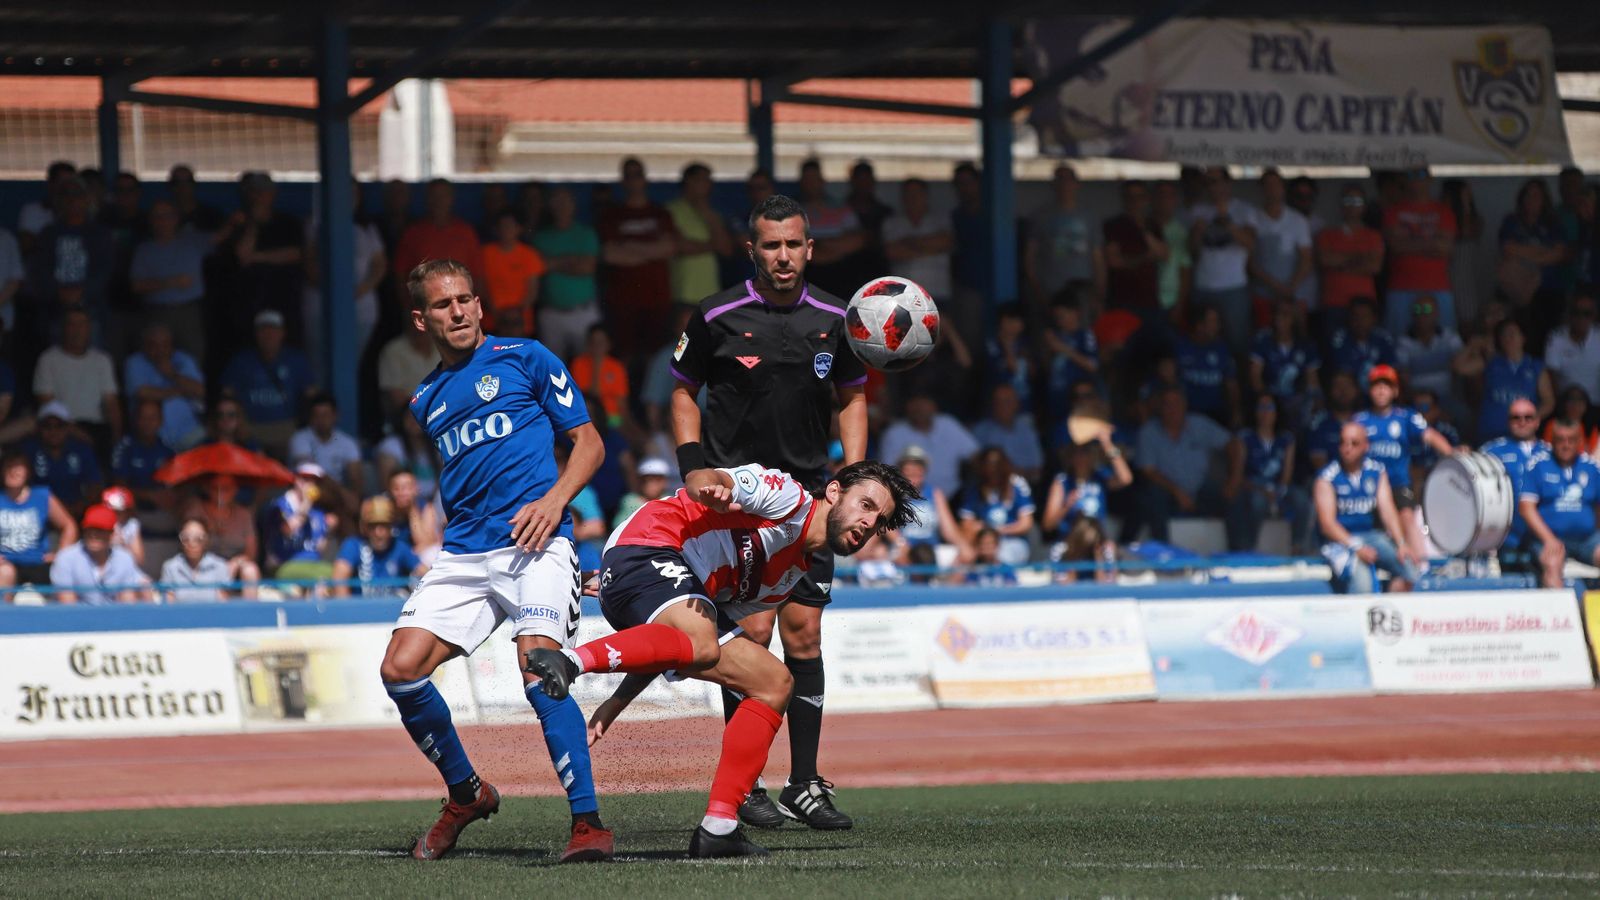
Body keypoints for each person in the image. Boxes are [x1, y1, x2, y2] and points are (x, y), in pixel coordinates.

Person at [523, 460, 918, 858]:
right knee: (705, 641)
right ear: (833, 493)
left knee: (773, 682)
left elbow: (674, 640)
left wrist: (616, 702)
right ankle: (570, 661)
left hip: (661, 592)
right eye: (866, 505)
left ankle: (720, 826)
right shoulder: (787, 496)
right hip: (647, 544)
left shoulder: (788, 574)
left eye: (879, 519)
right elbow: (700, 478)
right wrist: (710, 487)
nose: (869, 523)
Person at [377, 258, 612, 863]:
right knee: (400, 670)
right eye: (441, 305)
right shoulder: (424, 399)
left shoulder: (526, 356)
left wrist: (555, 501)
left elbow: (589, 443)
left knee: (540, 671)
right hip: (464, 556)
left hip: (536, 545)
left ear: (480, 306)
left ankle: (588, 824)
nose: (455, 311)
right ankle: (467, 793)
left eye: (464, 300)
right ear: (421, 319)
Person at [668, 193, 870, 830]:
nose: (783, 256)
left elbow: (853, 397)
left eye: (793, 244)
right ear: (750, 249)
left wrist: (854, 473)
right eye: (771, 245)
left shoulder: (839, 318)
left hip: (811, 503)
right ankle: (747, 782)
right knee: (752, 638)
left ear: (810, 248)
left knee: (804, 634)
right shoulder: (716, 315)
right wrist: (694, 465)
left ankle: (805, 784)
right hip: (739, 508)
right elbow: (682, 393)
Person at [1354, 364, 1455, 557]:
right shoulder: (1361, 420)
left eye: (1386, 386)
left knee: (1407, 517)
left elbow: (1430, 435)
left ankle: (1420, 565)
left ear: (1395, 390)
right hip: (1369, 485)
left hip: (1398, 483)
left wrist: (1451, 453)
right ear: (1369, 390)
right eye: (1377, 386)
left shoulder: (1405, 417)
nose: (1381, 390)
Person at [1314, 422, 1419, 593]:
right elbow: (1327, 524)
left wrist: (1401, 543)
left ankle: (1388, 614)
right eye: (1343, 442)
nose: (1347, 448)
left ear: (1365, 446)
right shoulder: (1327, 477)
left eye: (1354, 443)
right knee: (1363, 583)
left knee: (1409, 569)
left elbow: (1388, 511)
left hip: (1371, 536)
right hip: (1339, 542)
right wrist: (1356, 547)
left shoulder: (1376, 471)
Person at [1126, 385, 1234, 544]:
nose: (1172, 409)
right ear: (1160, 407)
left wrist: (1234, 480)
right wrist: (1178, 492)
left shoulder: (1199, 425)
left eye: (1176, 403)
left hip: (1200, 489)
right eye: (1167, 404)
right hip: (1167, 493)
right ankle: (1163, 553)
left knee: (1235, 497)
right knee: (1152, 496)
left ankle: (1237, 554)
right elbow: (1148, 471)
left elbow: (1235, 444)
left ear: (1185, 405)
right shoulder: (1148, 432)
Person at [598, 157, 677, 361]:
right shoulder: (611, 215)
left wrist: (629, 248)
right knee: (625, 358)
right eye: (629, 176)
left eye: (638, 175)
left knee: (659, 357)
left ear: (645, 179)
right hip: (623, 301)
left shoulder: (660, 213)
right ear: (622, 181)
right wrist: (651, 251)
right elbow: (610, 254)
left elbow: (668, 248)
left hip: (657, 299)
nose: (634, 180)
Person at [219, 172, 304, 342]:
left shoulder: (288, 223)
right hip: (247, 303)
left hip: (283, 300)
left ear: (273, 194)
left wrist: (257, 257)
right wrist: (253, 223)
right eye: (253, 191)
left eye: (263, 192)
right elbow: (242, 256)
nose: (258, 197)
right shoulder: (237, 223)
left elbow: (295, 254)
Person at [221, 310, 316, 459]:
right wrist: (239, 423)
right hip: (250, 428)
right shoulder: (241, 361)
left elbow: (311, 396)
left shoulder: (296, 360)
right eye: (263, 331)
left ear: (282, 333)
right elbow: (227, 397)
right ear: (256, 334)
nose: (268, 335)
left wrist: (302, 428)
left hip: (286, 428)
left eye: (273, 330)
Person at [129, 198, 216, 360]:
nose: (162, 221)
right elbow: (137, 285)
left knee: (193, 358)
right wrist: (170, 282)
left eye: (167, 215)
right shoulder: (145, 250)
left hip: (189, 313)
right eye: (157, 216)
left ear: (176, 218)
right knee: (156, 359)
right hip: (158, 312)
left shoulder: (193, 241)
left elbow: (222, 237)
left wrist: (236, 221)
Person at [1042, 425, 1132, 580]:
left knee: (1109, 552)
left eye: (1085, 452)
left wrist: (1107, 444)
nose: (1081, 457)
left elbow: (1126, 478)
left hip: (1097, 542)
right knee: (1061, 564)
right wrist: (1067, 506)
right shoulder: (1062, 482)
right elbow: (1048, 524)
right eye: (1076, 453)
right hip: (1069, 542)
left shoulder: (1100, 477)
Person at [1521, 418, 1600, 589]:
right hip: (1549, 538)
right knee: (1552, 564)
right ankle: (1559, 615)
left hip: (1586, 539)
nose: (1566, 445)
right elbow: (1526, 509)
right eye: (1560, 440)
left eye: (1571, 440)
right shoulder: (1538, 465)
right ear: (1552, 441)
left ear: (1580, 441)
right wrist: (1549, 539)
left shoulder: (1591, 467)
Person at [32, 307, 121, 457]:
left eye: (82, 324)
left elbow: (111, 403)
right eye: (72, 324)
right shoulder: (48, 359)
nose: (77, 330)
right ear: (63, 328)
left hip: (96, 428)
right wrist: (73, 431)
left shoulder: (102, 360)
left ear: (90, 328)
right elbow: (47, 403)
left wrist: (118, 438)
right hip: (61, 428)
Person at [1187, 166, 1257, 353]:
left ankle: (1238, 381)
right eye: (1207, 183)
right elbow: (1192, 252)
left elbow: (1251, 244)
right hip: (1203, 285)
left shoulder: (1244, 210)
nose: (1212, 187)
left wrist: (1227, 221)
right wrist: (1197, 232)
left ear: (1227, 183)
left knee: (1238, 340)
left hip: (1233, 287)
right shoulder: (1198, 210)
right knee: (1201, 339)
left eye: (1216, 182)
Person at [531, 187, 602, 364]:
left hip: (582, 312)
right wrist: (572, 261)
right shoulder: (541, 238)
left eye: (565, 201)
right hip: (551, 313)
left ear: (574, 205)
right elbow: (539, 267)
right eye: (557, 201)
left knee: (588, 364)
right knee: (550, 368)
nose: (561, 206)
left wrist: (554, 263)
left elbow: (587, 268)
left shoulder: (586, 233)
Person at [1382, 169, 1457, 335]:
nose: (1416, 179)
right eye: (1411, 174)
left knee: (1444, 340)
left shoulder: (1443, 212)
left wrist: (1409, 242)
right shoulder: (1393, 211)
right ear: (1404, 179)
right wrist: (1431, 244)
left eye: (1421, 174)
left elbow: (1445, 248)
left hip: (1437, 287)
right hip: (1401, 288)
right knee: (1398, 340)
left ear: (1430, 178)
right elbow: (1395, 246)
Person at [1455, 318, 1554, 442]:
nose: (1508, 338)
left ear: (1523, 338)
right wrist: (1471, 345)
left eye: (1512, 334)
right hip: (1490, 434)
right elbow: (1459, 367)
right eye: (1504, 335)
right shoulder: (1491, 362)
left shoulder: (1535, 366)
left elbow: (1548, 401)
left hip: (1522, 436)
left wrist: (1530, 419)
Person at [1225, 395, 1302, 553]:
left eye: (1270, 408)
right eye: (1261, 408)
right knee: (1257, 502)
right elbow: (1239, 476)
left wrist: (1278, 491)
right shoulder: (1244, 437)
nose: (1265, 413)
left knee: (1302, 499)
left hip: (1277, 489)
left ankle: (1297, 546)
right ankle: (1248, 548)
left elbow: (1286, 476)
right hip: (1253, 488)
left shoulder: (1286, 439)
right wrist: (1262, 491)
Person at [390, 178, 485, 307]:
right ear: (426, 199)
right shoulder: (413, 233)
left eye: (443, 196)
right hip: (424, 309)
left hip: (460, 308)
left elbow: (477, 275)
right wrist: (408, 308)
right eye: (433, 196)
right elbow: (400, 275)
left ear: (452, 198)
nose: (438, 201)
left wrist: (473, 307)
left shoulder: (466, 232)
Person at [1027, 164, 1105, 315]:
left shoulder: (1089, 216)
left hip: (1082, 290)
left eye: (1069, 180)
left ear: (1077, 184)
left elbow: (1098, 258)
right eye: (1060, 180)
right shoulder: (1040, 217)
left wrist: (1100, 292)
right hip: (1050, 289)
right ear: (1053, 184)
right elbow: (1030, 257)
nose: (1064, 185)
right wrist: (1037, 290)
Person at [1480, 397, 1550, 559]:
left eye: (1528, 417)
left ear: (1537, 421)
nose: (1522, 422)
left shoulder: (1551, 452)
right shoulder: (1492, 451)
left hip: (1544, 533)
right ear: (1508, 421)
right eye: (1516, 417)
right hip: (1507, 535)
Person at [879, 393, 980, 499]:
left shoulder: (948, 424)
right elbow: (887, 472)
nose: (919, 408)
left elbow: (975, 455)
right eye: (915, 404)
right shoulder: (894, 433)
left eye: (924, 403)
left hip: (953, 497)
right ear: (907, 407)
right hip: (908, 498)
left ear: (934, 407)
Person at [0, 451, 77, 590]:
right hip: (5, 564)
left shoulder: (42, 496)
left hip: (38, 564)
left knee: (62, 573)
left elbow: (69, 525)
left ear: (28, 471)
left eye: (18, 467)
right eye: (8, 467)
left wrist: (60, 555)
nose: (13, 471)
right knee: (4, 573)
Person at [123, 323, 206, 451]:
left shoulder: (183, 359)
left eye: (164, 344)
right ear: (144, 346)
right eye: (153, 344)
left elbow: (200, 391)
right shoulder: (135, 362)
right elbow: (143, 393)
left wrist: (172, 374)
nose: (159, 349)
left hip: (189, 431)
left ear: (172, 345)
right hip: (153, 436)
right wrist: (182, 390)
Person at [1314, 184, 1384, 334]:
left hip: (1365, 306)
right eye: (1348, 200)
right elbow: (1325, 260)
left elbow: (1374, 267)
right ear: (1341, 204)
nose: (1352, 205)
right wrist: (1360, 257)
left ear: (1364, 205)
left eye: (1357, 201)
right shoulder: (1326, 234)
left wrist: (1340, 263)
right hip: (1334, 302)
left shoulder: (1373, 236)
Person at [49, 503, 152, 604]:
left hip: (114, 618)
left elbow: (127, 603)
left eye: (100, 530)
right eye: (90, 529)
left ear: (111, 534)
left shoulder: (124, 558)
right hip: (77, 618)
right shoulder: (66, 558)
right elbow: (68, 607)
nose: (93, 534)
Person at [793, 159, 866, 299]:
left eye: (814, 178)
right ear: (801, 182)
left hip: (839, 277)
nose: (811, 183)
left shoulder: (840, 208)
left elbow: (857, 241)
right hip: (805, 278)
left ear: (822, 180)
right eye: (807, 179)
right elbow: (792, 247)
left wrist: (820, 246)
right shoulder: (790, 210)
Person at [667, 162, 733, 310]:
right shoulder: (671, 210)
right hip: (683, 293)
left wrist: (704, 210)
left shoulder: (712, 214)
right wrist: (713, 245)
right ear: (689, 181)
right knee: (685, 334)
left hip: (711, 295)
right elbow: (680, 246)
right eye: (704, 180)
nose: (709, 185)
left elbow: (726, 249)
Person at [1248, 169, 1315, 316]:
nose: (1272, 190)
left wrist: (1290, 288)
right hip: (1262, 294)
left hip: (1294, 295)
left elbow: (1306, 259)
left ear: (1283, 188)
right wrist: (1274, 285)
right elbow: (1249, 260)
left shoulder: (1298, 220)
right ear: (1261, 189)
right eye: (1267, 185)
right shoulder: (1251, 218)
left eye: (1275, 185)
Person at [955, 447, 1036, 566]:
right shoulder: (975, 488)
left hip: (1011, 541)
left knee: (1000, 555)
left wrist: (998, 531)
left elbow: (1026, 523)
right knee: (963, 555)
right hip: (982, 542)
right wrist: (982, 532)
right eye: (989, 463)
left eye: (997, 463)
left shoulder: (1017, 484)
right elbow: (966, 524)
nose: (993, 468)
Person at [332, 497, 426, 598]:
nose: (378, 532)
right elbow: (339, 579)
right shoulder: (353, 545)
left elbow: (425, 573)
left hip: (393, 609)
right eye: (373, 525)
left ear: (391, 526)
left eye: (384, 525)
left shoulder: (399, 547)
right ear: (364, 527)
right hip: (360, 610)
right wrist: (348, 610)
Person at [20, 401, 103, 514]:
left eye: (59, 426)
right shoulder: (29, 451)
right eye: (47, 426)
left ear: (68, 428)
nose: (53, 431)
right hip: (39, 513)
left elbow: (95, 486)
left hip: (77, 513)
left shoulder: (81, 450)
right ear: (39, 428)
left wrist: (78, 508)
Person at [1249, 299, 1321, 428]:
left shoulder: (1306, 345)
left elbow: (1312, 380)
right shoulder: (1262, 340)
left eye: (1285, 314)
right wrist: (1265, 398)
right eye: (1277, 313)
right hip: (1270, 396)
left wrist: (1315, 399)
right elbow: (1255, 376)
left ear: (1295, 318)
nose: (1279, 318)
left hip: (1296, 399)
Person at [882, 178, 952, 304]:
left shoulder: (941, 219)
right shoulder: (892, 223)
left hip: (937, 294)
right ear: (902, 197)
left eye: (917, 193)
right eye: (908, 194)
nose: (912, 198)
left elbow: (945, 242)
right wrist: (932, 248)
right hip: (902, 297)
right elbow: (892, 252)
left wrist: (908, 242)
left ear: (926, 196)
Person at [1101, 179, 1165, 317]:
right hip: (1122, 300)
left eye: (1139, 197)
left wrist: (1142, 228)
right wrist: (1145, 258)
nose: (1135, 202)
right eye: (1130, 197)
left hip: (1149, 300)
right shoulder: (1113, 225)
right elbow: (1114, 262)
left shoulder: (1152, 225)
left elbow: (1163, 254)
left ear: (1146, 199)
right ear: (1124, 199)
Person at [182, 474, 260, 582]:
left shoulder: (244, 514)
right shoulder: (196, 509)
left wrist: (236, 563)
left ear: (235, 489)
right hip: (203, 563)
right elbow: (189, 541)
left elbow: (251, 552)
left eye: (226, 488)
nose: (220, 492)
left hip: (235, 566)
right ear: (208, 489)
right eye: (215, 488)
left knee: (250, 570)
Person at [161, 517, 259, 603]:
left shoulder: (219, 566)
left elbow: (222, 604)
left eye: (198, 538)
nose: (192, 543)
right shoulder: (170, 567)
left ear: (207, 540)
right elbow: (168, 604)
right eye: (186, 538)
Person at [480, 209, 545, 337]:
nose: (506, 229)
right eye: (502, 226)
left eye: (510, 226)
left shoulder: (529, 254)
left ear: (519, 229)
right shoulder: (484, 254)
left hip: (521, 323)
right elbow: (480, 285)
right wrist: (496, 312)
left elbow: (532, 291)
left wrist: (515, 314)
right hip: (491, 321)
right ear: (496, 229)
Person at [1174, 304, 1241, 427]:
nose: (1217, 326)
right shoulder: (1179, 347)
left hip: (1216, 416)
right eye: (1213, 321)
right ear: (1199, 326)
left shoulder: (1222, 349)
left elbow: (1232, 386)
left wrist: (1235, 412)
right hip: (1187, 416)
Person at [288, 394, 364, 498]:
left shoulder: (347, 442)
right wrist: (342, 493)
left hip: (339, 497)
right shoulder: (300, 439)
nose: (321, 420)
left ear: (335, 416)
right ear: (310, 418)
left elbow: (356, 478)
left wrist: (354, 499)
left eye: (325, 415)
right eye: (317, 415)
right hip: (307, 494)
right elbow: (310, 473)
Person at [1395, 295, 1463, 406]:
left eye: (1427, 309)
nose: (1422, 314)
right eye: (1417, 309)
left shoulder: (1450, 337)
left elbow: (1462, 365)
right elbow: (1403, 381)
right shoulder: (1403, 343)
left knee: (1463, 415)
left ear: (1436, 313)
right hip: (1417, 399)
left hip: (1447, 397)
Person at [971, 383, 1043, 482]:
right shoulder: (981, 431)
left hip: (1023, 486)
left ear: (1016, 404)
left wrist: (1012, 474)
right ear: (993, 405)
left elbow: (1037, 468)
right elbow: (975, 465)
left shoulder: (1026, 430)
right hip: (989, 487)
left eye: (1008, 401)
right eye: (999, 402)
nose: (1003, 406)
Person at [568, 324, 629, 431]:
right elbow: (591, 397)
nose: (597, 346)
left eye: (601, 342)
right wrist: (597, 365)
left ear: (609, 344)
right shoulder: (579, 364)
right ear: (588, 344)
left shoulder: (616, 366)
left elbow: (622, 403)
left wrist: (626, 424)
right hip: (589, 417)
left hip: (613, 418)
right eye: (593, 342)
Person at [1325, 297, 1397, 387]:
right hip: (1351, 391)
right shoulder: (1340, 339)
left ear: (1374, 319)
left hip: (1378, 389)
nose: (1360, 321)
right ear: (1349, 319)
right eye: (1356, 316)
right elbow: (1342, 372)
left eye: (1365, 316)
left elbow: (1391, 369)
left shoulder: (1383, 338)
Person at [376, 324, 441, 424]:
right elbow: (397, 399)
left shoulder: (443, 345)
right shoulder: (394, 351)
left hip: (444, 418)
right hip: (410, 421)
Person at [1544, 291, 1600, 404]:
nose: (1581, 318)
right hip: (1566, 405)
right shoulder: (1556, 338)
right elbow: (1551, 375)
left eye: (1587, 313)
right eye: (1576, 312)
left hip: (1595, 405)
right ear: (1569, 314)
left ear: (1594, 316)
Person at [1151, 181, 1193, 325]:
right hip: (1143, 300)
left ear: (1175, 200)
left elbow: (1185, 271)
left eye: (1169, 196)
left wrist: (1180, 304)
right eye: (1161, 195)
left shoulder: (1180, 232)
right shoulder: (1143, 226)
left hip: (1171, 301)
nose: (1165, 200)